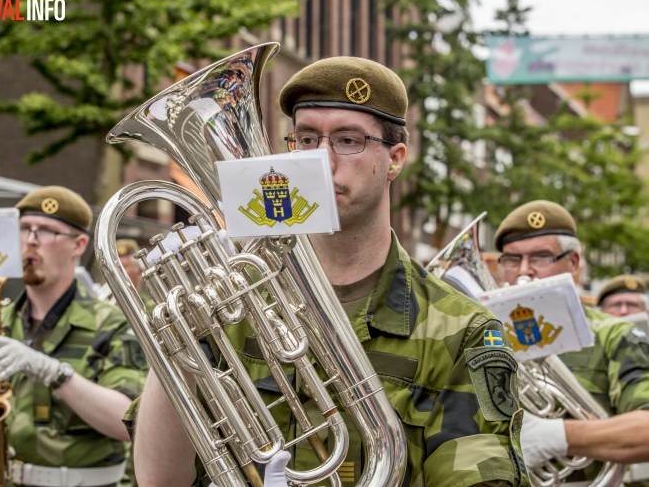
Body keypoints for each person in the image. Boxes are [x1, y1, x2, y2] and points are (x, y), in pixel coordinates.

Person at [130, 57, 529, 486]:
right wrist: (182, 328)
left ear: (394, 160)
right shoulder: (229, 303)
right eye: (305, 139)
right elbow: (159, 479)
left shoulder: (462, 328)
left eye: (348, 140)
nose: (321, 159)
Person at [0, 186, 147, 487]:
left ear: (78, 245)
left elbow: (131, 423)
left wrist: (55, 374)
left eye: (48, 231)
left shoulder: (115, 324)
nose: (30, 240)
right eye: (24, 228)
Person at [494, 200, 649, 485]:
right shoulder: (483, 337)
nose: (525, 271)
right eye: (512, 259)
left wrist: (557, 437)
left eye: (541, 257)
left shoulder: (614, 334)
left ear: (574, 262)